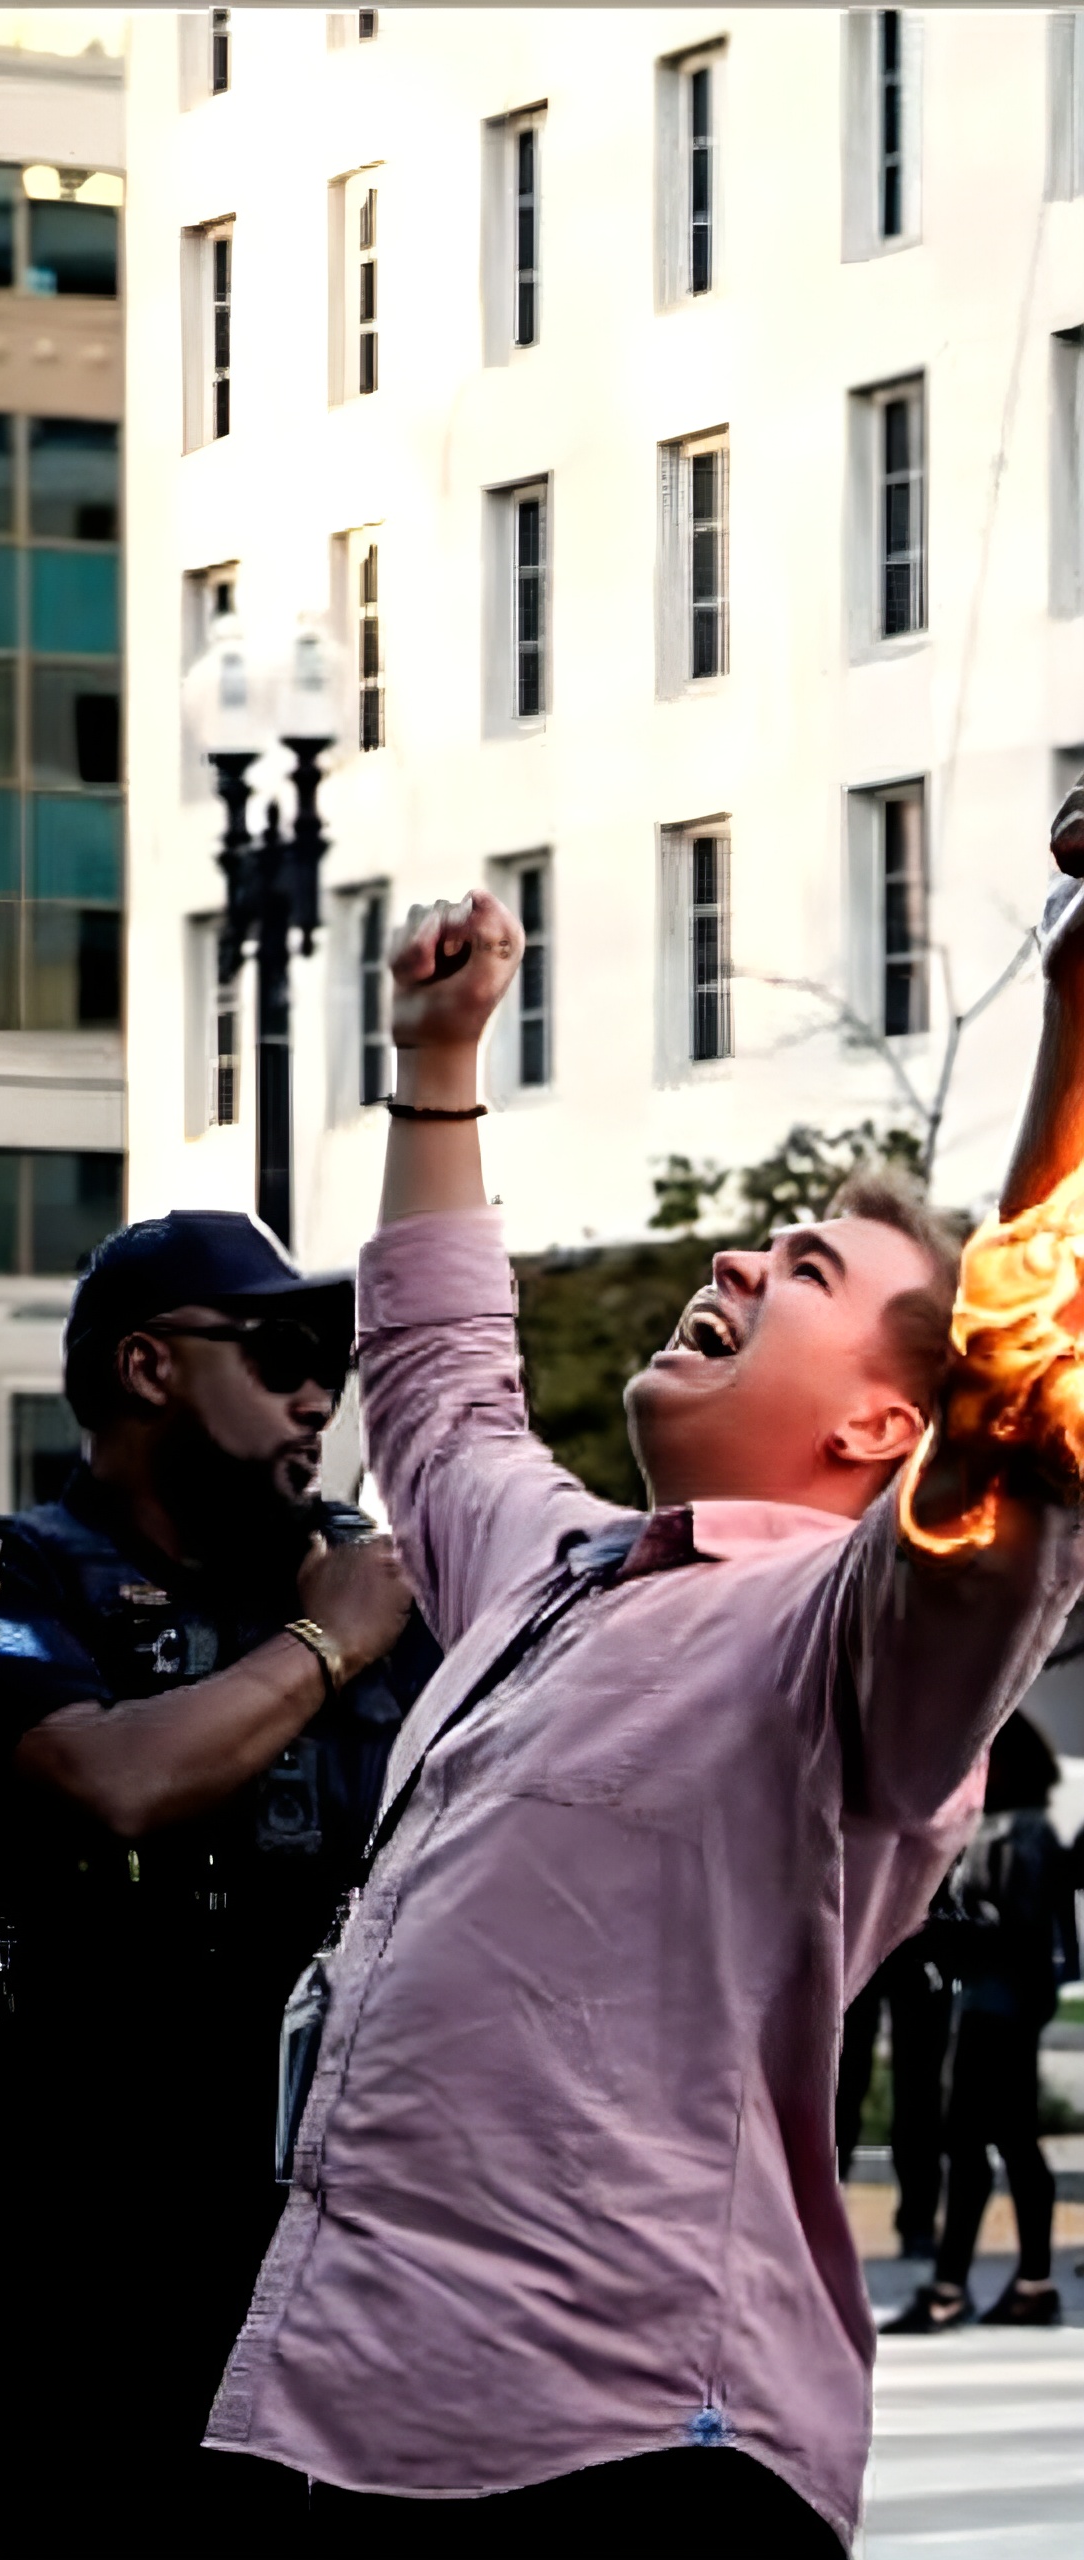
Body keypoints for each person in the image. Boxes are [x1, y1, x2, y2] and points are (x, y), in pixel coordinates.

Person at [207, 844, 1084, 2557]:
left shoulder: (848, 1639)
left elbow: (1023, 1403)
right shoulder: (553, 1563)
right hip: (326, 2409)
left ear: (879, 1433)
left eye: (810, 1274)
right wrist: (441, 1067)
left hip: (632, 2450)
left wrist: (1076, 996)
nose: (746, 1265)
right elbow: (442, 1388)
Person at [0, 1209, 427, 2559]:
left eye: (336, 1363)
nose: (318, 1393)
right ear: (147, 1368)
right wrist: (328, 1642)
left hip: (321, 2222)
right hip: (77, 2233)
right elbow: (112, 1778)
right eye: (284, 1349)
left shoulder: (360, 1588)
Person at [886, 1710, 1079, 2331]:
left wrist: (935, 1931)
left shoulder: (1018, 1834)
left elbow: (1015, 1930)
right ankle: (1024, 2284)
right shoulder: (1006, 1829)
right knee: (1003, 2143)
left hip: (1000, 2006)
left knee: (976, 2143)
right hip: (995, 2003)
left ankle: (959, 2289)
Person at [836, 1918, 954, 2259]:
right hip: (874, 1924)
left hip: (904, 1927)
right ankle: (916, 2224)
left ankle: (918, 2223)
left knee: (916, 2092)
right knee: (846, 2085)